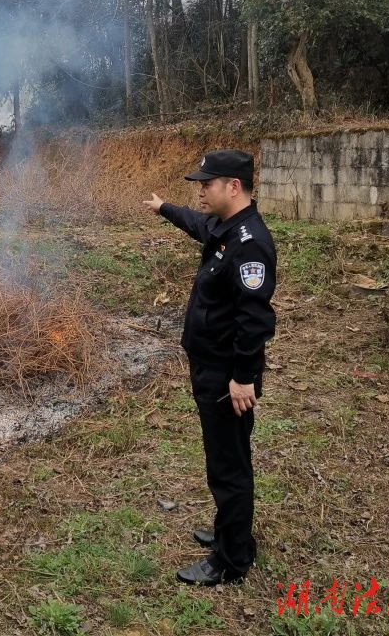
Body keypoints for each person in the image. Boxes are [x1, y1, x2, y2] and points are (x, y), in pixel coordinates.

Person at [142, 150, 276, 586]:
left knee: (228, 465)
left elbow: (253, 321)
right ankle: (229, 534)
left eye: (207, 183)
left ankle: (232, 559)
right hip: (210, 368)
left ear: (232, 187)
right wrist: (164, 208)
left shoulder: (250, 242)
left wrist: (242, 377)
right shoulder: (223, 227)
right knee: (223, 458)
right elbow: (197, 225)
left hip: (226, 375)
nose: (199, 190)